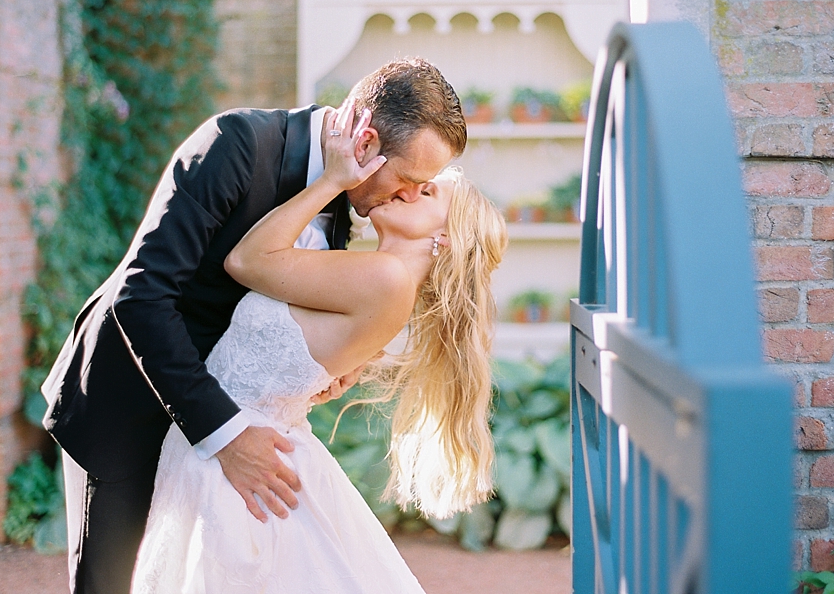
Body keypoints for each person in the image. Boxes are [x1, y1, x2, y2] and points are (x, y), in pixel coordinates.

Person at [40, 58, 467, 594]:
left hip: (211, 448)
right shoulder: (237, 144)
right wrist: (226, 435)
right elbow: (140, 296)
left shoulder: (346, 202)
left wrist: (326, 366)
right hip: (129, 406)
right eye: (407, 180)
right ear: (366, 139)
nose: (407, 195)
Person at [130, 101, 507, 592]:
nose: (410, 190)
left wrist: (330, 180)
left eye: (429, 191)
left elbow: (247, 260)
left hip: (241, 459)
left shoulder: (387, 278)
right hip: (242, 445)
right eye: (413, 180)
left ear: (447, 239)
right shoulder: (373, 277)